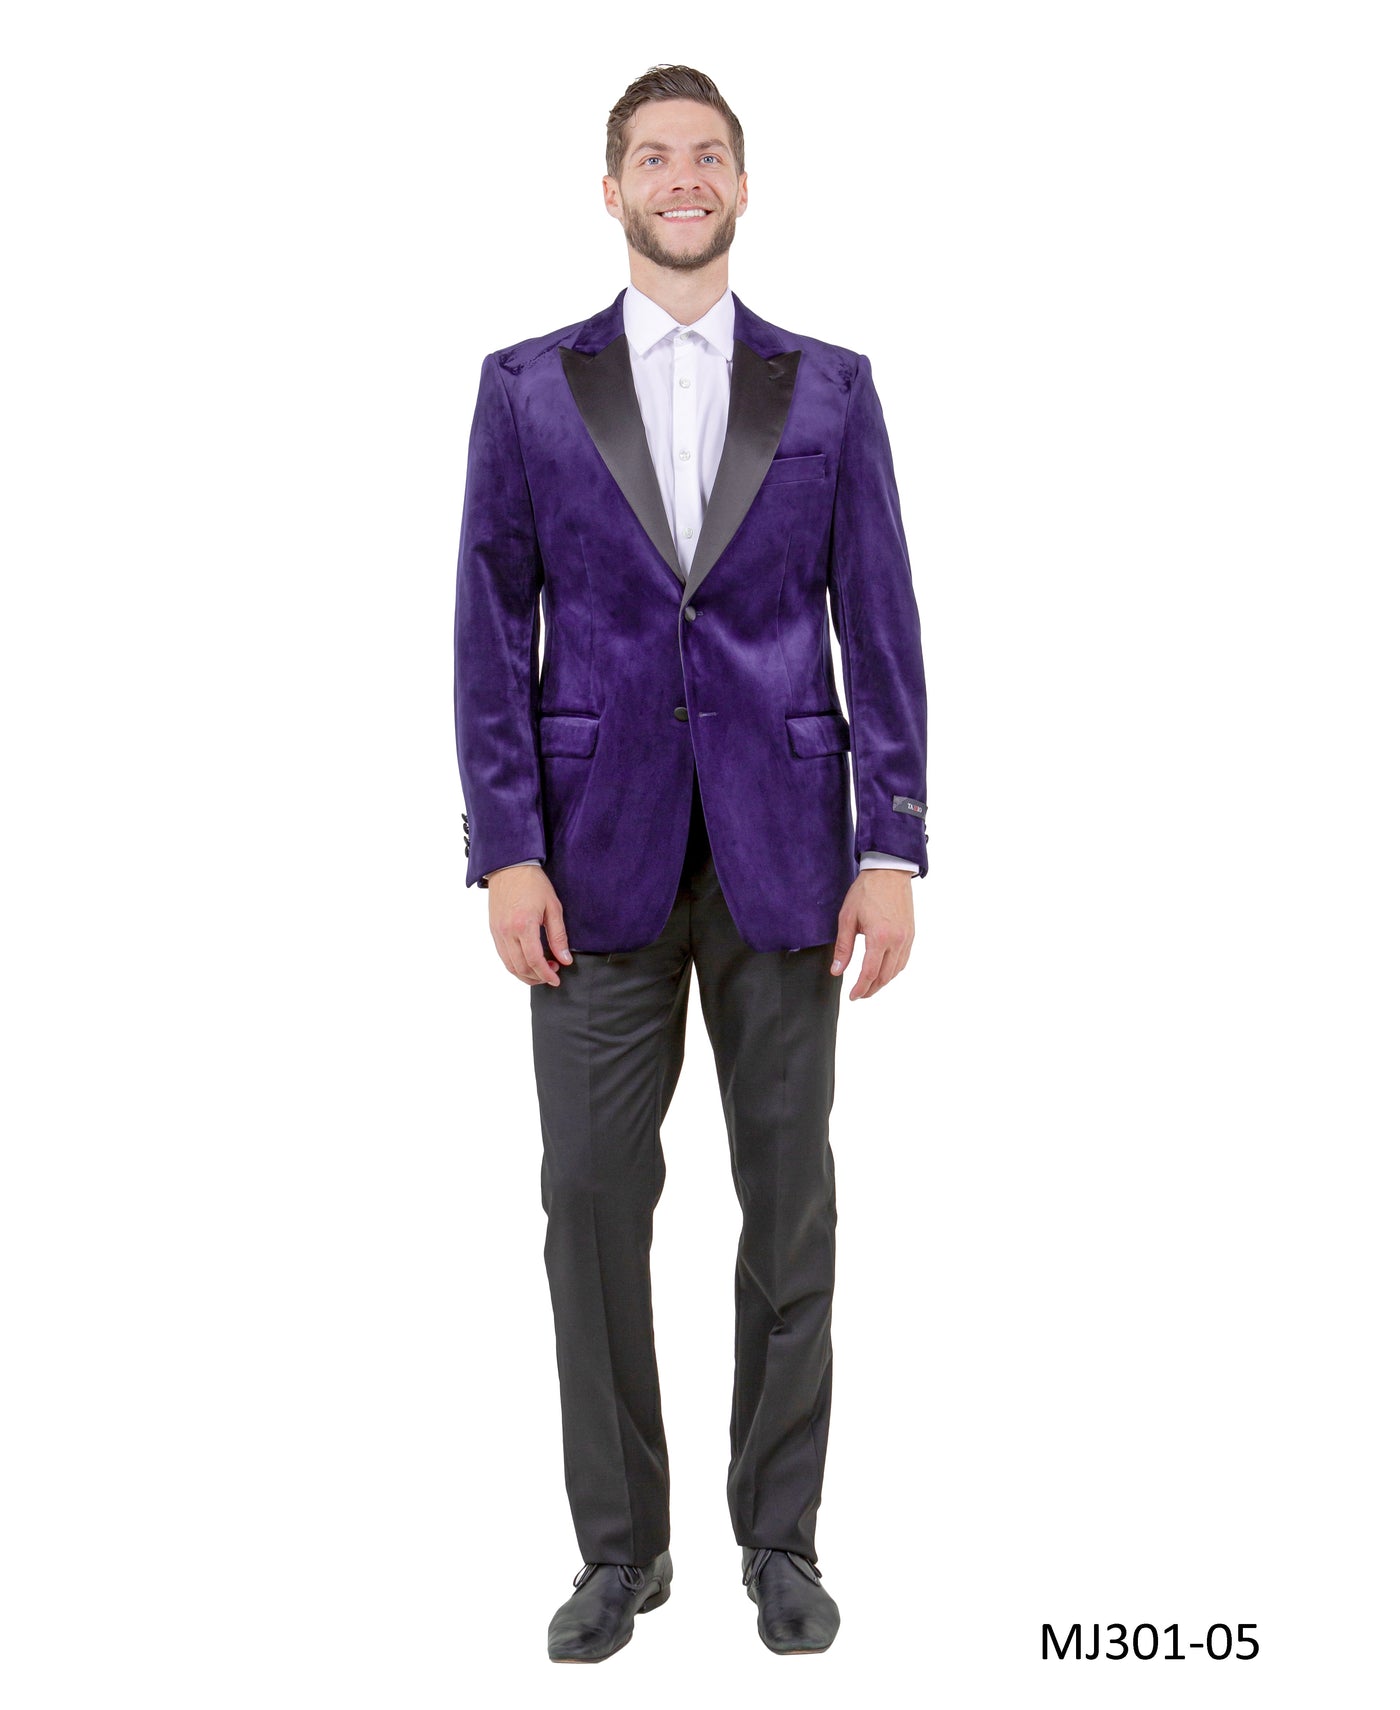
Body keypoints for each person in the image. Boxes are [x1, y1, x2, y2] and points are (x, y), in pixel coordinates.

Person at [453, 63, 928, 1662]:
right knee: (588, 1201)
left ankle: (779, 1537)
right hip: (590, 863)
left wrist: (894, 842)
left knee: (789, 1204)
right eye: (653, 156)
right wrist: (507, 849)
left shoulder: (831, 389)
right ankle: (619, 1549)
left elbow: (883, 620)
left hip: (790, 855)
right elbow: (486, 629)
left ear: (741, 182)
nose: (682, 177)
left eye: (707, 154)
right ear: (612, 189)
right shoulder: (527, 389)